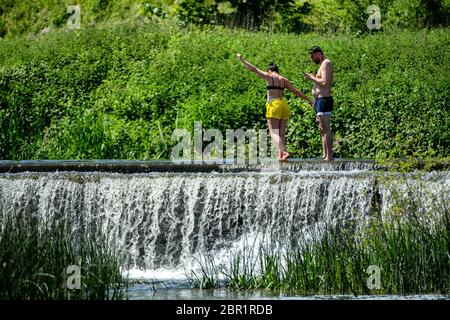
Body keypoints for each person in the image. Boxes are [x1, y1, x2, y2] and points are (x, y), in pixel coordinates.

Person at [236, 53, 313, 161]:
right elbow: (296, 92)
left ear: (269, 70)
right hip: (283, 105)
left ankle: (284, 151)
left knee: (273, 132)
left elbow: (254, 69)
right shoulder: (284, 80)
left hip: (273, 105)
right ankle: (281, 155)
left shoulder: (269, 76)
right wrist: (309, 100)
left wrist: (242, 60)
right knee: (281, 133)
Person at [304, 46, 334, 161]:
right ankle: (324, 155)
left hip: (324, 99)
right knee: (322, 129)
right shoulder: (322, 65)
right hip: (318, 100)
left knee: (325, 128)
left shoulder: (326, 63)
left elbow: (325, 83)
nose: (312, 59)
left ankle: (329, 156)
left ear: (318, 53)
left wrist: (312, 78)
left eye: (312, 56)